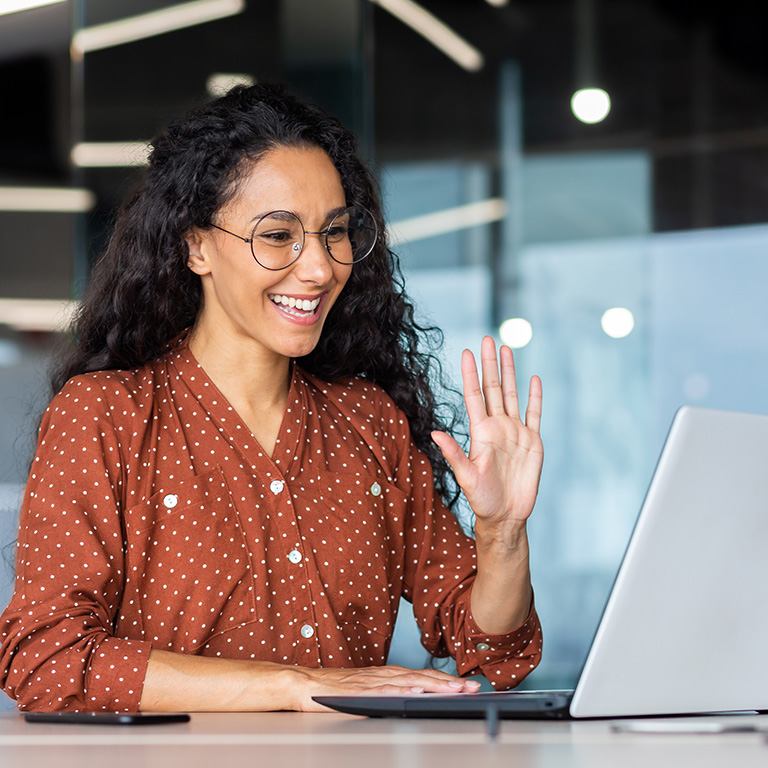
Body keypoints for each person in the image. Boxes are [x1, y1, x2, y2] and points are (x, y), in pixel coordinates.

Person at [0, 83, 543, 713]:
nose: (318, 268)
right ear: (195, 245)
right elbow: (45, 659)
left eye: (334, 233)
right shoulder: (104, 415)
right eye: (279, 235)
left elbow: (493, 654)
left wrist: (502, 533)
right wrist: (290, 685)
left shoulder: (370, 423)